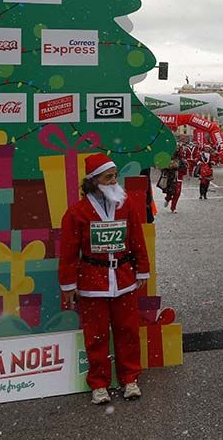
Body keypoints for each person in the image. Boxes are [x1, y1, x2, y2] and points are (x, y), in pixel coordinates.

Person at [59, 153, 150, 404]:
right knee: (96, 335)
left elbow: (137, 239)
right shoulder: (77, 212)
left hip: (123, 279)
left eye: (114, 176)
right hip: (92, 282)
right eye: (108, 177)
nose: (114, 181)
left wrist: (142, 269)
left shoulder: (125, 204)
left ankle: (130, 378)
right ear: (93, 181)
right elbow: (67, 251)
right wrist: (68, 285)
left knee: (128, 330)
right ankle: (98, 383)